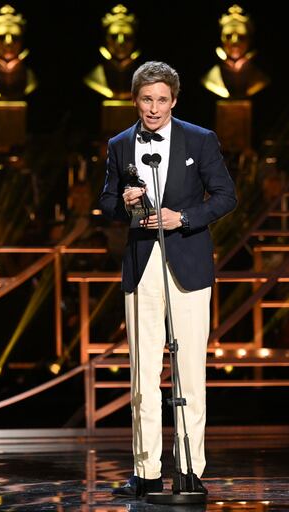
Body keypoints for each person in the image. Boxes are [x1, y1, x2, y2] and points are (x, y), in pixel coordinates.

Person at [99, 61, 237, 498]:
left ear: (173, 100)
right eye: (146, 99)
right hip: (141, 266)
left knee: (190, 372)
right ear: (135, 100)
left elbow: (226, 196)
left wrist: (185, 217)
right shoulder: (120, 144)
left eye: (161, 100)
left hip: (188, 265)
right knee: (142, 374)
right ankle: (144, 471)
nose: (154, 108)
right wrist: (123, 203)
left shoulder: (200, 139)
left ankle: (190, 470)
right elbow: (105, 202)